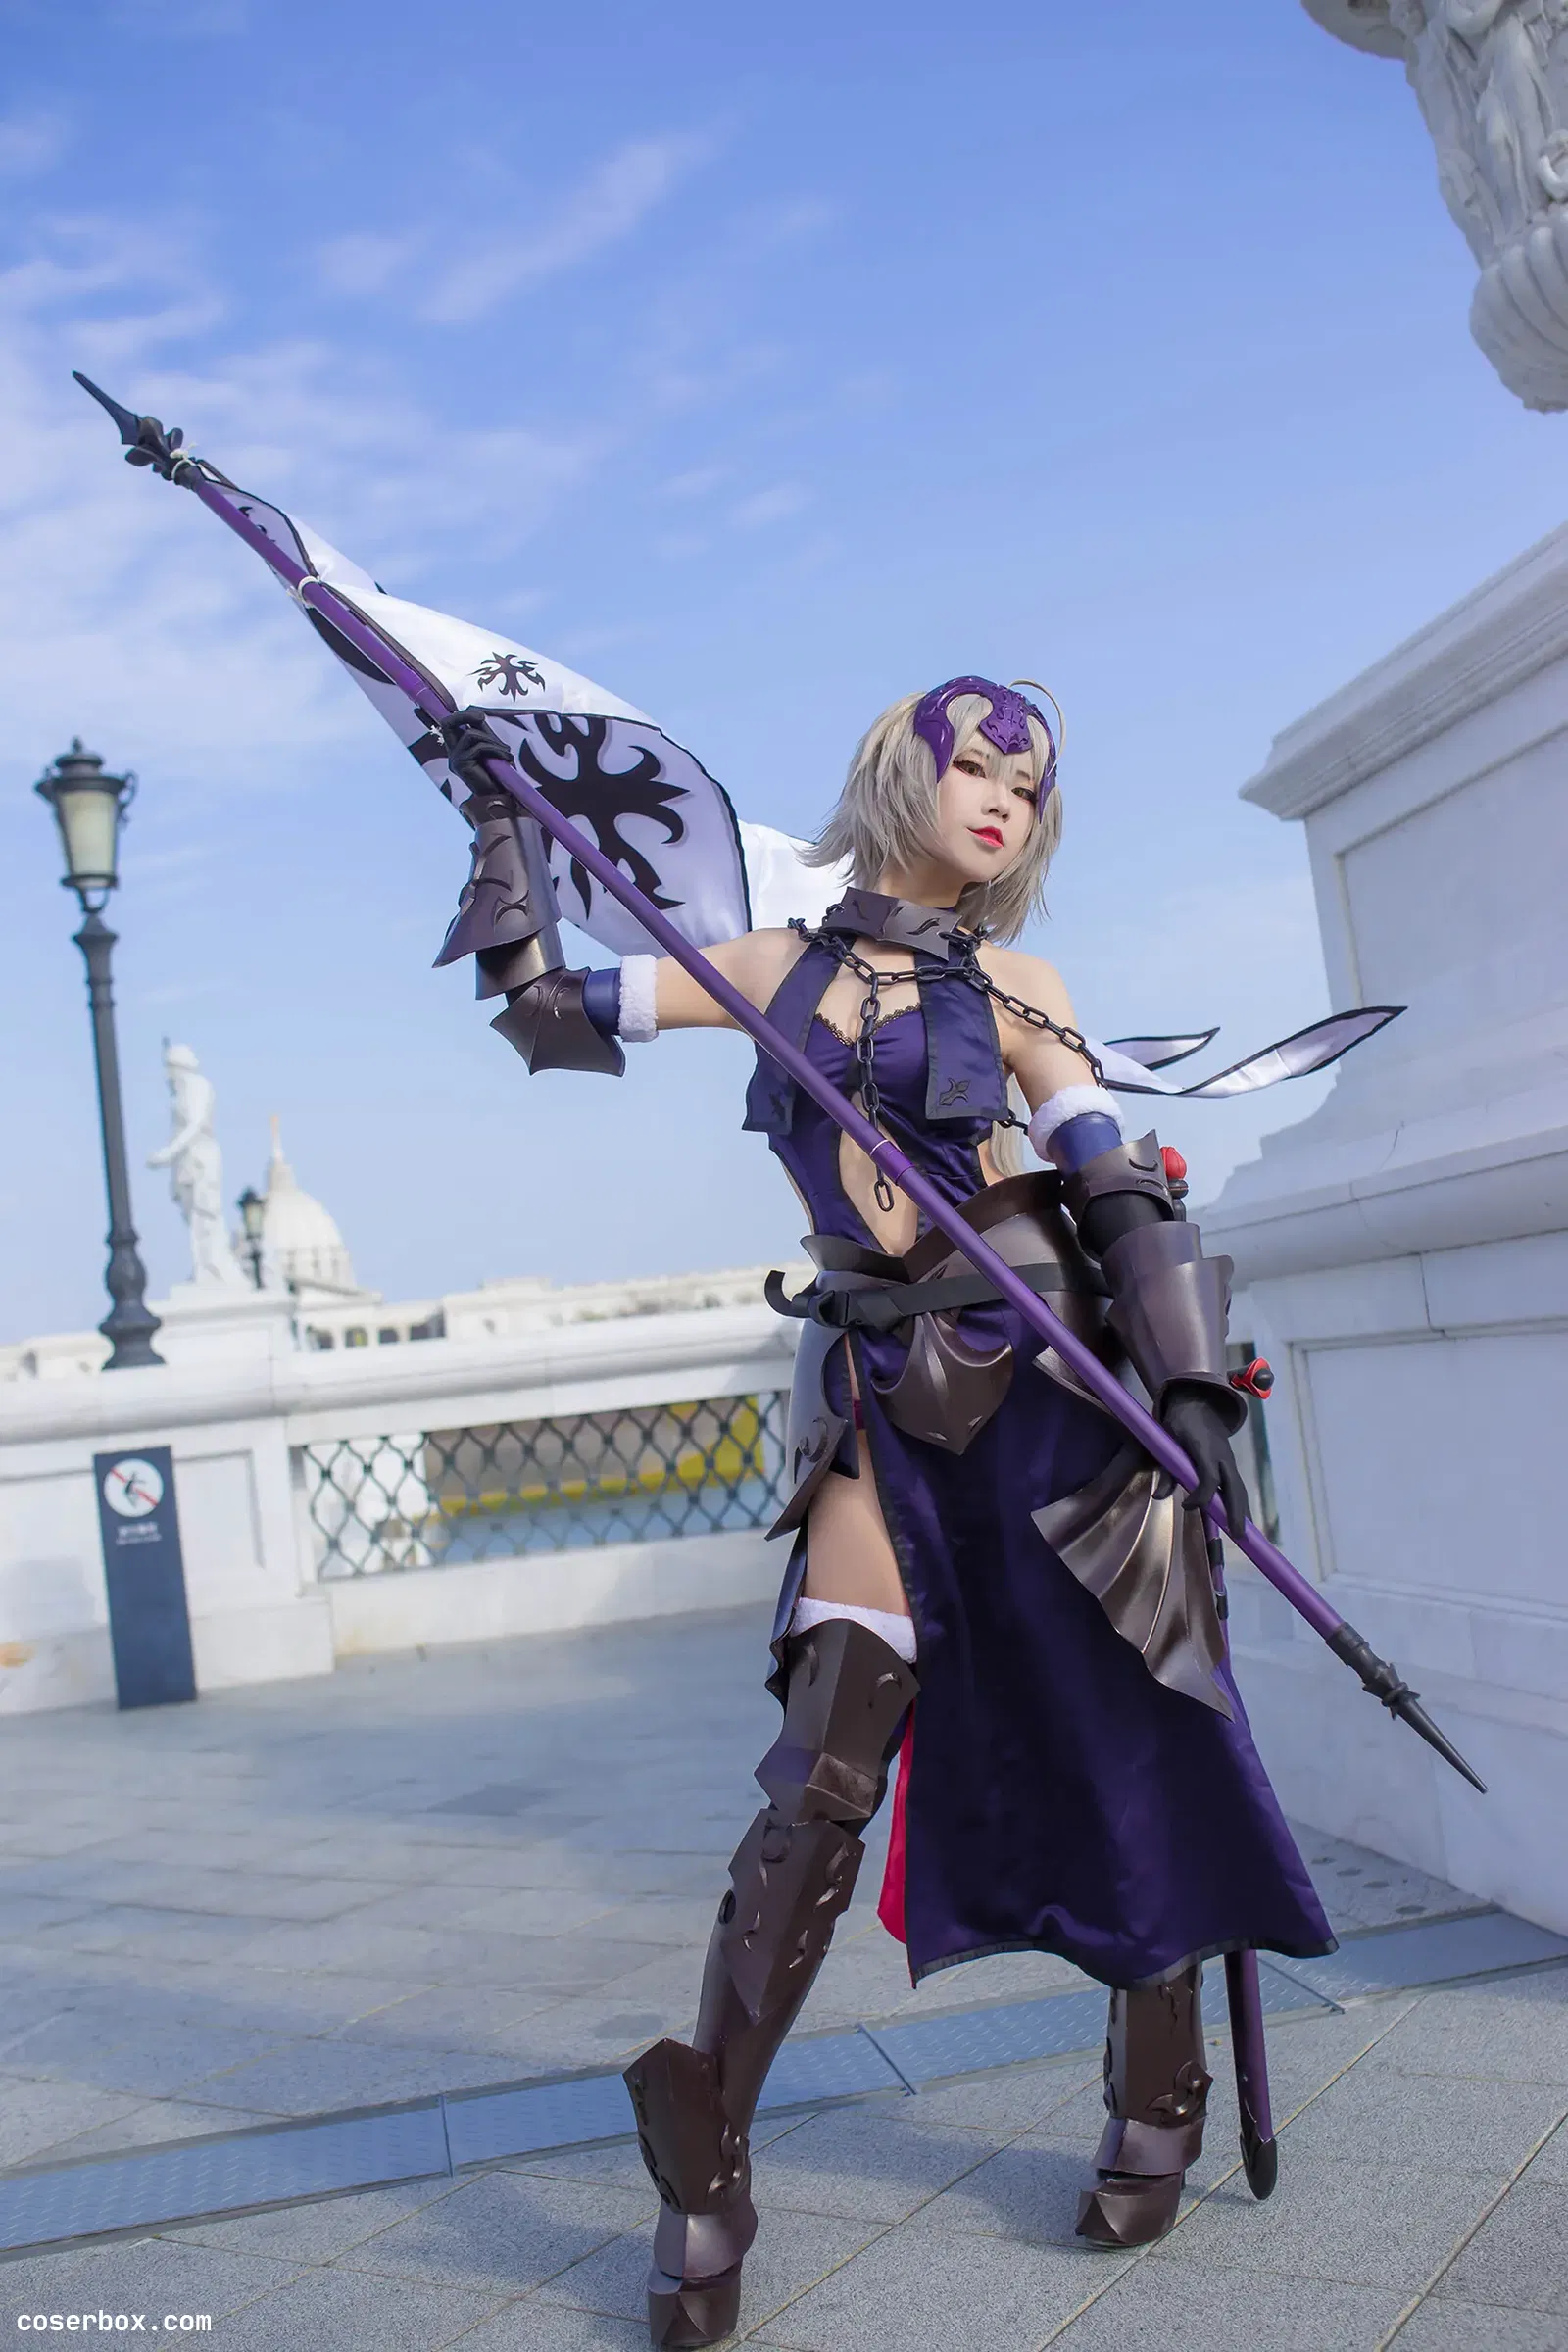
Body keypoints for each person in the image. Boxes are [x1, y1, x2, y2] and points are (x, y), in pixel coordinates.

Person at [521, 678, 1333, 2350]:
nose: (997, 801)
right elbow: (546, 1012)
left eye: (1024, 787)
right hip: (880, 1395)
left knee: (1123, 1724)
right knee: (822, 1761)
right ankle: (709, 2155)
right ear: (903, 775)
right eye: (970, 765)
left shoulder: (1023, 989)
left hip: (1050, 1383)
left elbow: (1108, 1179)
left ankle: (1159, 2082)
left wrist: (1192, 1384)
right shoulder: (767, 968)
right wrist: (496, 823)